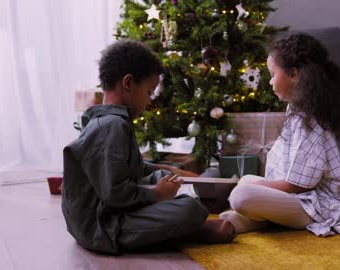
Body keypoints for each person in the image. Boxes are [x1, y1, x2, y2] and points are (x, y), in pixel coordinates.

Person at [62, 39, 235, 254]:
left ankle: (180, 226)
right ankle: (189, 230)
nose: (150, 101)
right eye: (149, 92)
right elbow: (115, 194)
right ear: (128, 83)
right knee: (190, 209)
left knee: (170, 182)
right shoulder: (110, 126)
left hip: (110, 213)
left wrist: (173, 172)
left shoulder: (114, 121)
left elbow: (134, 168)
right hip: (102, 226)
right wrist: (156, 195)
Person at [219, 33, 340, 237]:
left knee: (242, 195)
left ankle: (263, 220)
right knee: (245, 181)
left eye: (272, 74)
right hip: (301, 196)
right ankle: (265, 219)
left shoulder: (310, 121)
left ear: (293, 74)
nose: (270, 82)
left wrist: (261, 186)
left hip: (318, 204)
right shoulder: (296, 111)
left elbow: (298, 185)